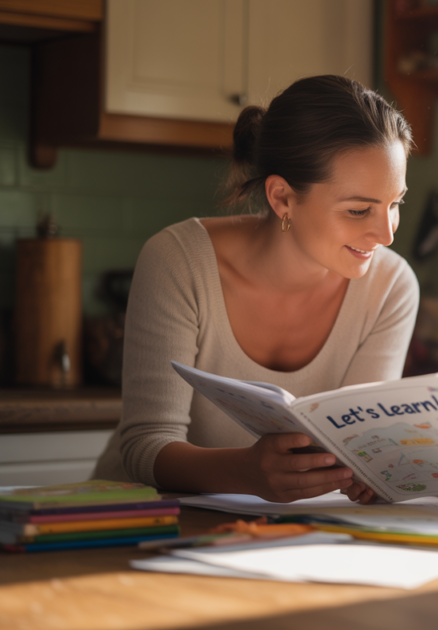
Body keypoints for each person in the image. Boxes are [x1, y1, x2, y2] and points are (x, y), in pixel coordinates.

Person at [92, 75, 419, 503]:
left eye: (395, 204)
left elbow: (356, 451)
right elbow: (144, 446)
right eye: (359, 209)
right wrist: (246, 473)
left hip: (282, 537)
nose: (386, 234)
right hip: (133, 522)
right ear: (282, 197)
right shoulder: (178, 261)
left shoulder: (391, 287)